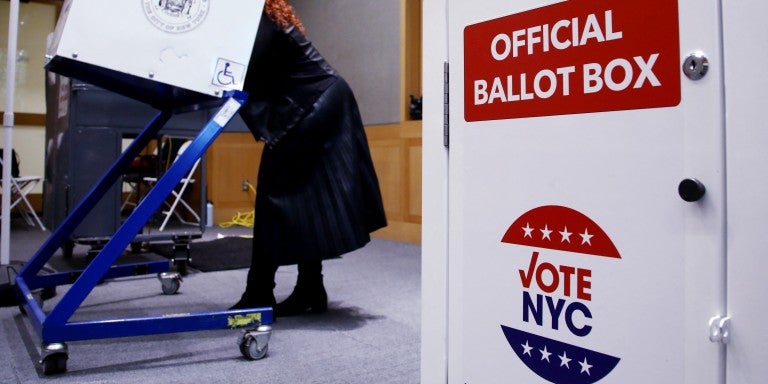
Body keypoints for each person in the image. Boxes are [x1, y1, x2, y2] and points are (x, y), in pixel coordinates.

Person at [230, 0, 387, 316]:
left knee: (274, 196)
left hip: (313, 102)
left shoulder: (254, 17)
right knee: (307, 198)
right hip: (324, 98)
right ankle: (310, 288)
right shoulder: (264, 13)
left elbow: (241, 70)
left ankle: (260, 292)